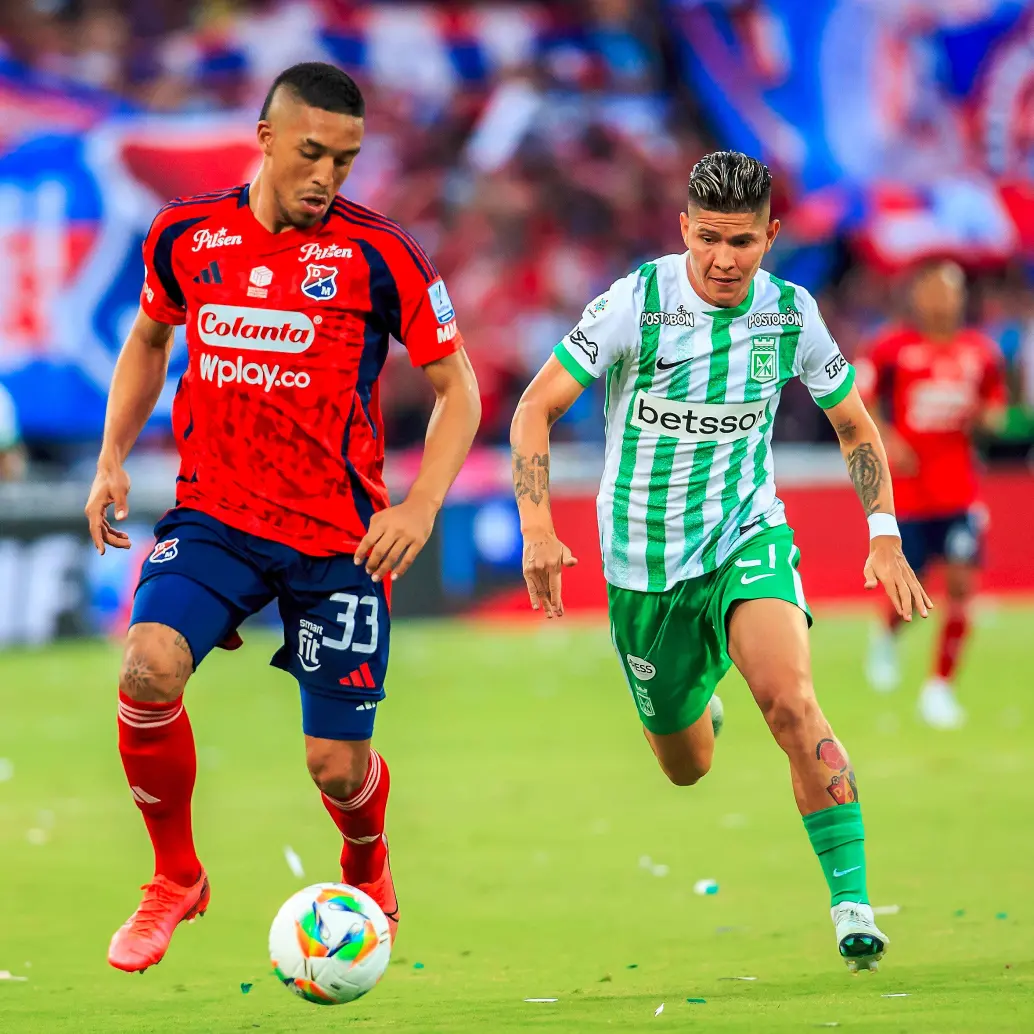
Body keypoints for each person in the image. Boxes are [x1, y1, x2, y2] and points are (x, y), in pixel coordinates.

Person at [84, 62, 481, 973]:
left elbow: (456, 388)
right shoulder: (186, 234)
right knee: (147, 667)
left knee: (336, 769)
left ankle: (365, 858)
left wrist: (420, 504)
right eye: (311, 154)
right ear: (264, 140)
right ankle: (174, 878)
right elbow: (150, 338)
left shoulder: (380, 254)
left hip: (337, 541)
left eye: (345, 160)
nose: (327, 178)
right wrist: (112, 456)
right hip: (214, 518)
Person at [510, 151, 931, 972]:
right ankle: (700, 697)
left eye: (742, 241)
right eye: (708, 239)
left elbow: (854, 425)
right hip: (643, 567)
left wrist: (884, 530)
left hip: (748, 534)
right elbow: (535, 409)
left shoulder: (791, 315)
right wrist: (536, 529)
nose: (723, 259)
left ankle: (852, 905)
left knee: (792, 702)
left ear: (770, 236)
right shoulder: (636, 303)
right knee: (685, 764)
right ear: (684, 231)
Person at [856, 261, 1006, 728]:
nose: (945, 301)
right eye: (937, 291)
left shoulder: (979, 352)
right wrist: (890, 439)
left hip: (959, 492)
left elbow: (996, 406)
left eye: (953, 292)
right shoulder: (891, 349)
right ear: (919, 297)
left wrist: (989, 420)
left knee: (962, 588)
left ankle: (938, 689)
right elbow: (859, 403)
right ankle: (886, 635)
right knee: (909, 591)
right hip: (907, 496)